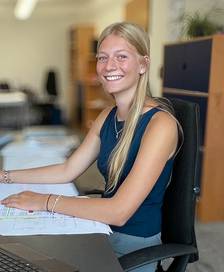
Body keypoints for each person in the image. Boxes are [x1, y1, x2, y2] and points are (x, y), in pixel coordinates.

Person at [0, 22, 180, 272]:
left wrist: (44, 201)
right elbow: (67, 170)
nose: (109, 66)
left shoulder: (161, 125)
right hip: (98, 228)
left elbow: (119, 212)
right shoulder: (108, 116)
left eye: (122, 57)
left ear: (143, 64)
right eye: (102, 57)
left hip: (132, 246)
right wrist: (5, 176)